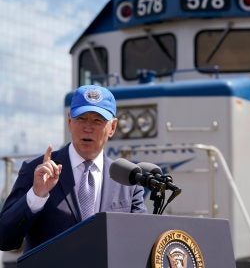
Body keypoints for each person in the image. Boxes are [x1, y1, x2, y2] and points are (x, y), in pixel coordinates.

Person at [0, 84, 147, 253]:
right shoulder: (36, 171)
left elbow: (140, 243)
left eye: (97, 120)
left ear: (112, 127)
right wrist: (35, 195)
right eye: (81, 118)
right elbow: (5, 239)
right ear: (70, 122)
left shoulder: (128, 180)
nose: (87, 127)